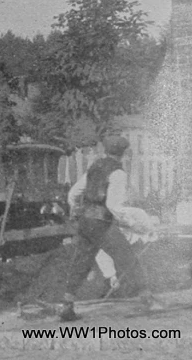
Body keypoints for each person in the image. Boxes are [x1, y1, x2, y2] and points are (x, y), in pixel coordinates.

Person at [59, 135, 159, 322]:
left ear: (105, 150)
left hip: (85, 222)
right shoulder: (118, 173)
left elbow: (74, 193)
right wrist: (133, 224)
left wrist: (74, 209)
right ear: (124, 153)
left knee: (81, 262)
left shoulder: (94, 167)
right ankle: (147, 299)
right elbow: (114, 205)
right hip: (101, 224)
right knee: (127, 257)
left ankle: (67, 306)